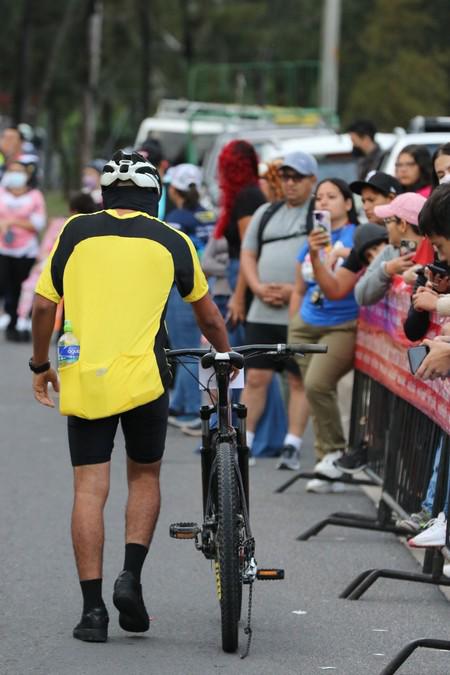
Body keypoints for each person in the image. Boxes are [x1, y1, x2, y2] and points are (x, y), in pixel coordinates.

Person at [30, 150, 231, 643]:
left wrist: (40, 365)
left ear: (105, 193)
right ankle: (131, 579)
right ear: (154, 194)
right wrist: (226, 355)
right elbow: (207, 316)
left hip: (85, 375)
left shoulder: (74, 233)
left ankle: (92, 611)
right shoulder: (172, 239)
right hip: (147, 377)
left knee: (88, 490)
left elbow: (40, 307)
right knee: (143, 476)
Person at [240, 151, 317, 470]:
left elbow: (327, 258)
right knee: (256, 376)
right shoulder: (266, 212)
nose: (289, 183)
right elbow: (248, 254)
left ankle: (292, 445)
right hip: (263, 308)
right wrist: (257, 287)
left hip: (298, 310)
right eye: (285, 177)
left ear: (312, 180)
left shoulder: (318, 214)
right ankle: (244, 443)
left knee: (298, 379)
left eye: (296, 177)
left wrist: (295, 290)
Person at [288, 178, 360, 490]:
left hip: (341, 324)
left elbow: (337, 287)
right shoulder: (314, 238)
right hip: (305, 322)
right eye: (319, 198)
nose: (323, 203)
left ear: (348, 203)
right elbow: (299, 286)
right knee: (313, 389)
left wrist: (320, 256)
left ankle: (336, 455)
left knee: (318, 384)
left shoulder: (356, 236)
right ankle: (325, 459)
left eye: (332, 197)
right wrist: (293, 323)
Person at [164, 163, 216, 434]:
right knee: (196, 347)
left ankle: (191, 409)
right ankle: (181, 403)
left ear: (175, 189)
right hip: (209, 284)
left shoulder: (177, 219)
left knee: (186, 350)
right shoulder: (209, 214)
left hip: (182, 286)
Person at [304, 172, 403, 302]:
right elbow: (336, 290)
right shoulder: (365, 236)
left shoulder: (417, 229)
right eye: (363, 201)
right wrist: (315, 256)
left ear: (391, 198)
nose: (366, 207)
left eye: (371, 200)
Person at [214, 139, 266, 342]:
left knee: (244, 348)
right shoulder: (248, 195)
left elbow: (249, 250)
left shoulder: (247, 197)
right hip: (240, 273)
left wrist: (238, 296)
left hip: (243, 274)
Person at [353, 193, 431, 307]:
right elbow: (360, 295)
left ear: (402, 225)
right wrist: (386, 270)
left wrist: (420, 276)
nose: (386, 227)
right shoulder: (391, 251)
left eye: (388, 221)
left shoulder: (437, 251)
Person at [0, 158, 46, 341]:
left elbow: (38, 223)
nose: (15, 175)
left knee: (25, 288)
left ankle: (25, 322)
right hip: (3, 249)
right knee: (7, 287)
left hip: (26, 250)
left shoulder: (35, 196)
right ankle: (11, 321)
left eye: (19, 171)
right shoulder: (2, 193)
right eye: (12, 170)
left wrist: (13, 222)